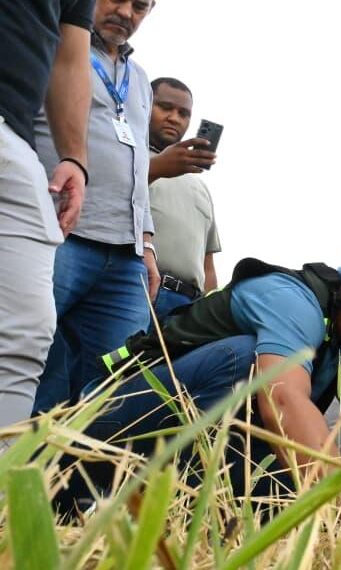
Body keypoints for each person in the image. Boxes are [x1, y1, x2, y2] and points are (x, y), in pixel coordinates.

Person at [79, 242, 341, 499]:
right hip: (110, 425)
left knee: (287, 487)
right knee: (246, 359)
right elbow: (282, 401)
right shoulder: (293, 302)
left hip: (208, 448)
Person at [32, 0, 160, 414]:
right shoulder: (52, 46)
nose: (126, 12)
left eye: (140, 6)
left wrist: (147, 242)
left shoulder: (140, 80)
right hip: (57, 235)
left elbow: (138, 160)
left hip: (125, 261)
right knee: (29, 360)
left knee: (114, 389)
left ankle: (77, 478)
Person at [0, 0, 93, 428]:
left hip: (15, 142)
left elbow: (69, 54)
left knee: (25, 330)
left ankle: (5, 487)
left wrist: (74, 157)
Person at [146, 77, 221, 317]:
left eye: (184, 113)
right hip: (141, 288)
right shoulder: (129, 160)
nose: (175, 118)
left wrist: (211, 313)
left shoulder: (199, 186)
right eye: (165, 107)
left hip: (187, 308)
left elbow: (207, 263)